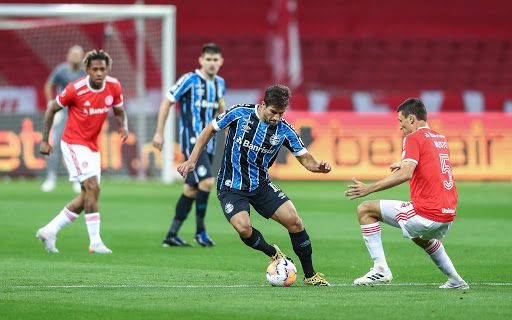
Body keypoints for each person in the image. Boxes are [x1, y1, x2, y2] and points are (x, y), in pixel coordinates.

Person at [178, 85, 332, 286]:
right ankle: (273, 252)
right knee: (243, 228)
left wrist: (319, 167)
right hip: (230, 186)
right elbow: (209, 130)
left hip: (261, 185)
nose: (277, 117)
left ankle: (310, 275)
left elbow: (306, 160)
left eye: (281, 113)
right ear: (263, 105)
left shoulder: (285, 130)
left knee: (295, 222)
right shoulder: (239, 114)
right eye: (273, 112)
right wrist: (192, 160)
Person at [345, 98, 468, 289]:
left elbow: (405, 174)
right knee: (420, 237)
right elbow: (430, 165)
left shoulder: (413, 138)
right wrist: (404, 163)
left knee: (365, 209)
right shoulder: (440, 139)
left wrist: (368, 188)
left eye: (401, 122)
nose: (400, 127)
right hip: (448, 213)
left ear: (411, 119)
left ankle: (380, 269)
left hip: (427, 212)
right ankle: (456, 280)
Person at [36, 49, 128, 254]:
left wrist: (123, 126)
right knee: (92, 187)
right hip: (73, 143)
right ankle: (95, 242)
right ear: (87, 69)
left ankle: (49, 230)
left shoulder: (113, 86)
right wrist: (45, 140)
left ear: (108, 69)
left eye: (102, 69)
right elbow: (52, 108)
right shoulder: (75, 89)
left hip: (92, 145)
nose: (98, 73)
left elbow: (119, 110)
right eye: (94, 69)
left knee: (89, 195)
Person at [152, 43, 225, 248]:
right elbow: (167, 101)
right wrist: (159, 132)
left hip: (209, 142)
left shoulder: (220, 83)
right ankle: (200, 232)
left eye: (215, 60)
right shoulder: (189, 80)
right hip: (191, 140)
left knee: (191, 189)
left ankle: (171, 235)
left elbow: (221, 107)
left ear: (221, 62)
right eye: (208, 59)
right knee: (208, 181)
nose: (211, 63)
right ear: (201, 60)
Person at [41, 45, 86, 193]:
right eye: (73, 54)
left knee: (76, 147)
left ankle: (78, 179)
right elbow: (49, 85)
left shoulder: (85, 73)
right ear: (68, 56)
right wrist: (50, 103)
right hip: (63, 112)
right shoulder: (61, 70)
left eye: (78, 54)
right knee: (55, 142)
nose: (75, 57)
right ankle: (51, 177)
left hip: (79, 115)